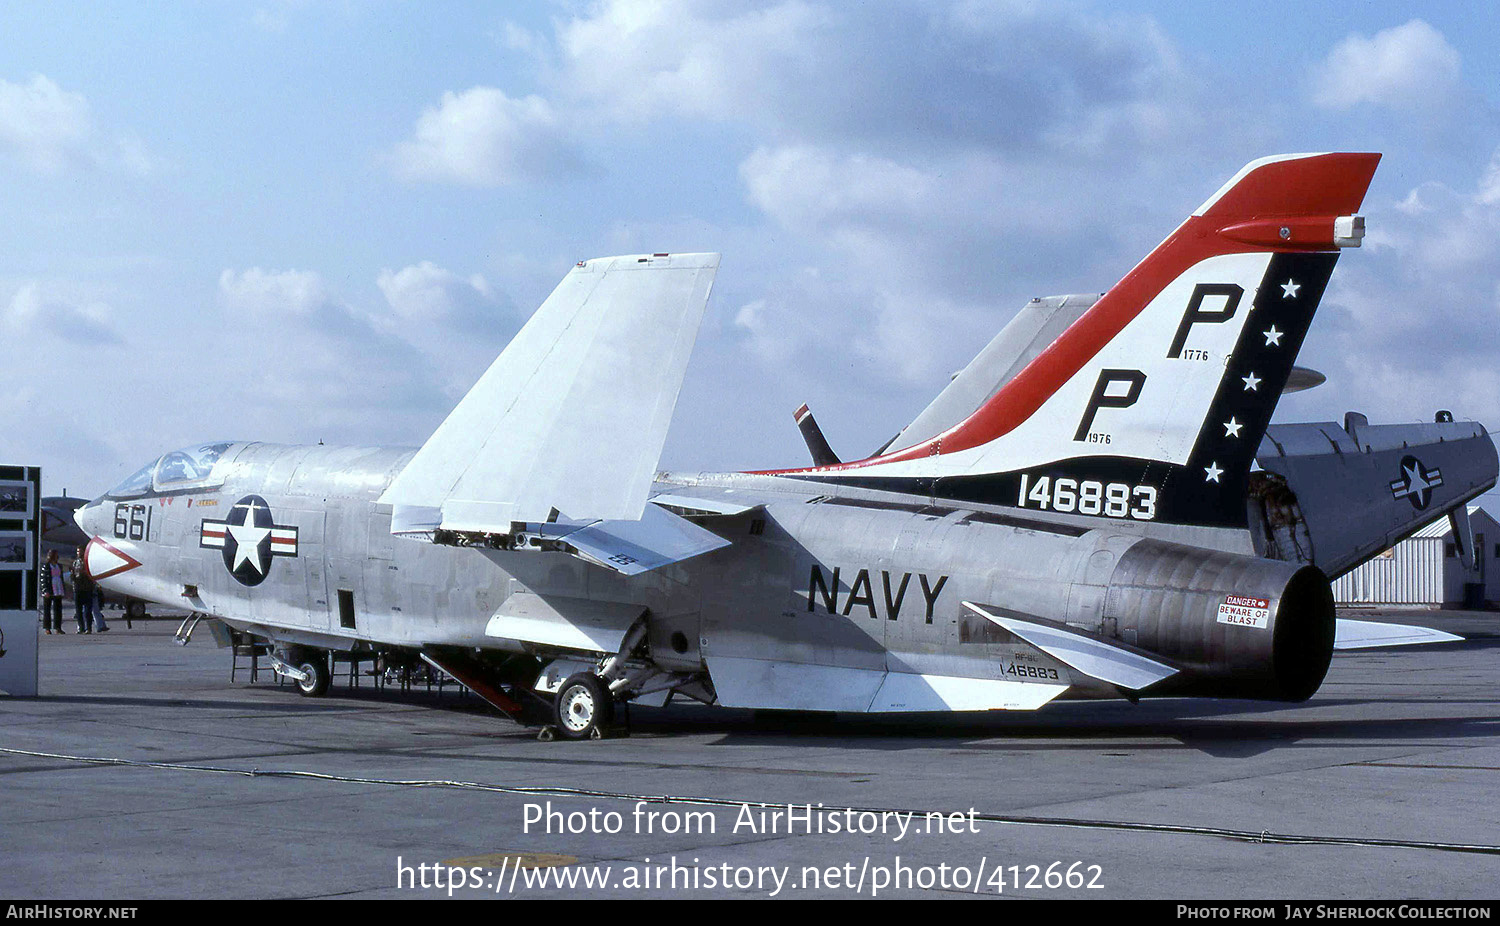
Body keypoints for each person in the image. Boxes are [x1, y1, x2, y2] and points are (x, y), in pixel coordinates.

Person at [71, 546, 107, 633]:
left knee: (88, 610)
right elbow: (73, 574)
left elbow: (91, 574)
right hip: (77, 588)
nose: (78, 553)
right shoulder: (75, 562)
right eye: (77, 551)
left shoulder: (87, 562)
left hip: (87, 588)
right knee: (78, 611)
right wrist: (73, 577)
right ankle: (81, 627)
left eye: (80, 551)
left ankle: (88, 628)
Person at [39, 550, 65, 635]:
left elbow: (61, 578)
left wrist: (63, 590)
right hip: (50, 588)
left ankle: (58, 627)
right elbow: (43, 579)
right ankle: (47, 627)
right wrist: (45, 590)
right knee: (47, 610)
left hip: (58, 588)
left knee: (58, 609)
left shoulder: (59, 566)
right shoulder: (46, 566)